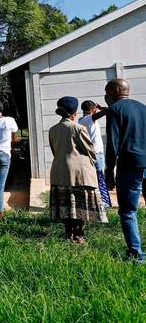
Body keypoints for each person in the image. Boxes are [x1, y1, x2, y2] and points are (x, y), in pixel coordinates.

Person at [49, 96, 108, 244]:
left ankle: (68, 234)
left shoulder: (53, 129)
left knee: (66, 205)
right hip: (78, 173)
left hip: (59, 172)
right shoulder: (78, 128)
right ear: (74, 113)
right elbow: (90, 150)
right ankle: (79, 235)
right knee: (79, 205)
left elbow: (54, 150)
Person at [104, 79, 146, 263]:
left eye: (107, 92)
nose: (106, 96)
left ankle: (136, 254)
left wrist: (109, 171)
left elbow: (112, 144)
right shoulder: (143, 108)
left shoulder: (115, 110)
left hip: (130, 164)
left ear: (115, 90)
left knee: (128, 210)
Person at [78, 100, 111, 207]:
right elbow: (109, 110)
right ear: (93, 109)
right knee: (100, 176)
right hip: (97, 153)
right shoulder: (89, 119)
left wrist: (96, 109)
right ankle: (104, 203)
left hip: (90, 152)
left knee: (93, 177)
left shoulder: (80, 120)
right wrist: (101, 108)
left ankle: (95, 201)